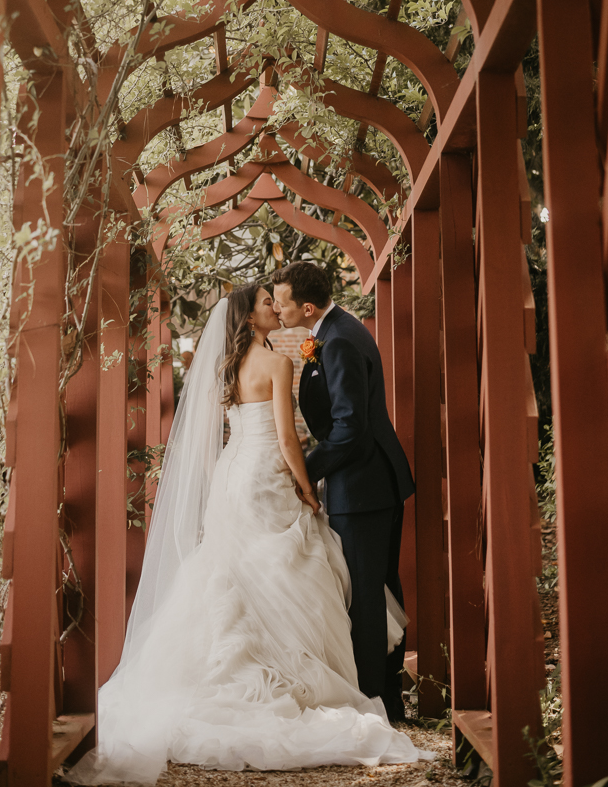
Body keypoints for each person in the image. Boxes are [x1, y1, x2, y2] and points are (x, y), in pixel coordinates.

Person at [65, 283, 431, 785]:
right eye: (266, 303)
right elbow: (282, 436)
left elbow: (243, 428)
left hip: (234, 477)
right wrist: (307, 488)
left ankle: (215, 673)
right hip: (268, 477)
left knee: (231, 570)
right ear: (249, 317)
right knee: (284, 568)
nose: (274, 308)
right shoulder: (278, 363)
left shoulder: (223, 366)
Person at [271, 262, 415, 724]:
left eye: (282, 302)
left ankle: (377, 705)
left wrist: (304, 471)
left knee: (368, 597)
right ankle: (387, 697)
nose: (276, 308)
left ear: (306, 307)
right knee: (379, 593)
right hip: (372, 484)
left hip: (364, 489)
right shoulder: (335, 331)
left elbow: (351, 429)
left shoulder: (338, 343)